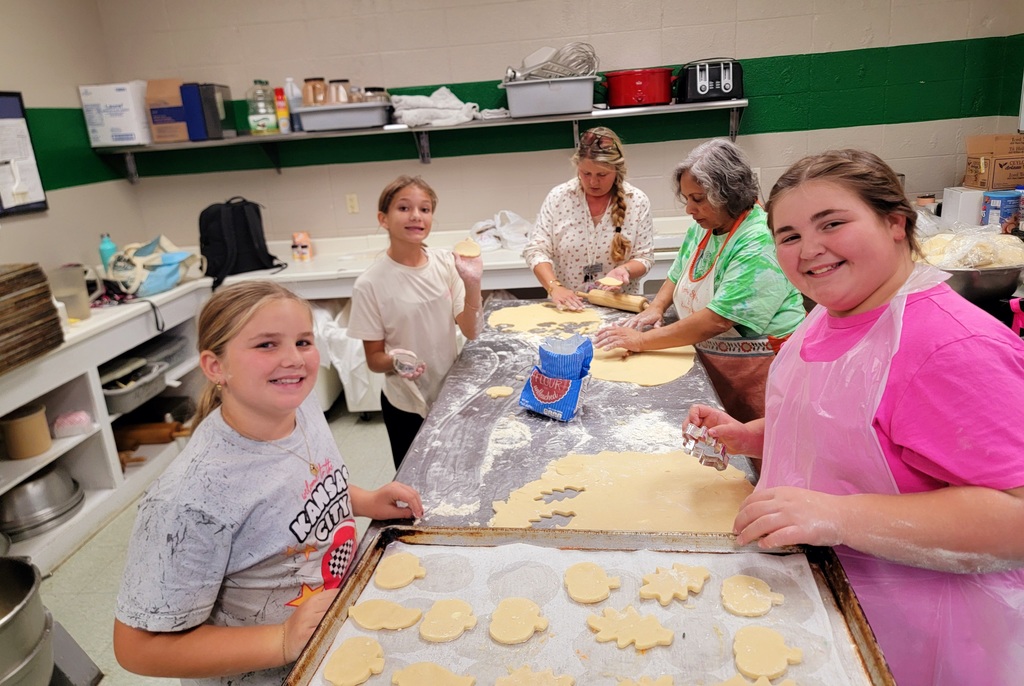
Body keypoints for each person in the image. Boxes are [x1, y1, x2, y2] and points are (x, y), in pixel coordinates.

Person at [688, 149, 1024, 686]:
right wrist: (751, 437)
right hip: (831, 612)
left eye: (833, 223)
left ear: (896, 223)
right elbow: (851, 423)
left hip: (924, 639)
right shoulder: (831, 314)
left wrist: (840, 516)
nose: (810, 249)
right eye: (789, 235)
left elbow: (1017, 518)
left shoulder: (950, 346)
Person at [113, 281, 423, 685]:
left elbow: (301, 491)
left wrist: (363, 500)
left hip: (334, 637)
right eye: (266, 345)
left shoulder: (300, 405)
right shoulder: (191, 500)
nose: (293, 360)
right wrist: (280, 639)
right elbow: (136, 648)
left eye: (303, 341)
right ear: (214, 366)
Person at [595, 139, 805, 422]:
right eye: (687, 199)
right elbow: (678, 271)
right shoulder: (707, 225)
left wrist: (642, 340)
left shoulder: (758, 239)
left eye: (698, 199)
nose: (689, 209)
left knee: (757, 450)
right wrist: (656, 307)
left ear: (728, 194)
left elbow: (718, 320)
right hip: (718, 358)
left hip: (763, 365)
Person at [348, 175, 483, 469]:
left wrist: (472, 284)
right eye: (404, 208)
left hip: (450, 392)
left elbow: (471, 331)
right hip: (405, 403)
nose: (416, 217)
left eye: (425, 209)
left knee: (456, 473)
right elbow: (374, 360)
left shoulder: (447, 263)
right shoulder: (370, 284)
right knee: (415, 481)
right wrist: (396, 362)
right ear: (383, 219)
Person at [523, 126, 655, 311]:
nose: (593, 182)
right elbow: (536, 249)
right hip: (569, 306)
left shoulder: (636, 201)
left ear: (617, 169)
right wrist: (554, 286)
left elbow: (644, 257)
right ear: (577, 167)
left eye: (602, 175)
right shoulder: (560, 197)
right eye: (586, 174)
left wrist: (624, 270)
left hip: (618, 306)